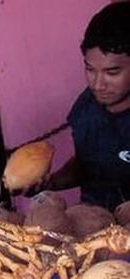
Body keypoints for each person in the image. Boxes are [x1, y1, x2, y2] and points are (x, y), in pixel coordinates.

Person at [41, 2, 130, 211]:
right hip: (93, 226)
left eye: (112, 72)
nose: (97, 84)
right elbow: (86, 163)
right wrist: (51, 183)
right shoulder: (85, 107)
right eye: (90, 69)